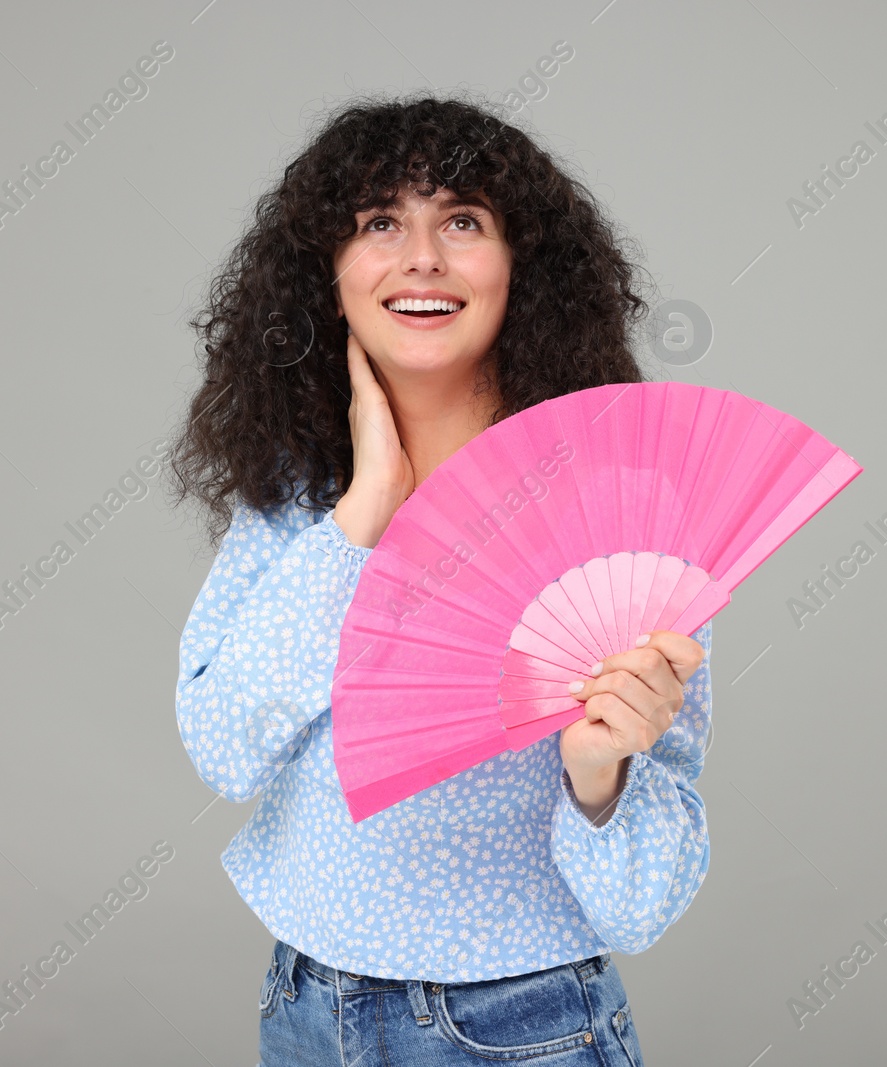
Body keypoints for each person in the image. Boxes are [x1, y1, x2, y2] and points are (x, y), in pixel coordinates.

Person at [165, 92, 712, 1066]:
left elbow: (645, 902)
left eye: (462, 220)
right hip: (305, 1006)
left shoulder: (613, 510)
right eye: (380, 222)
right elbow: (222, 751)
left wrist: (602, 778)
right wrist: (366, 507)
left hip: (521, 1023)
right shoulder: (300, 501)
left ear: (521, 267)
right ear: (327, 274)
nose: (421, 256)